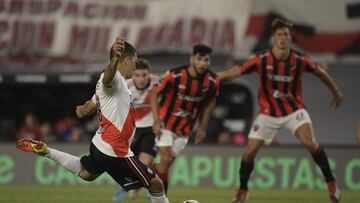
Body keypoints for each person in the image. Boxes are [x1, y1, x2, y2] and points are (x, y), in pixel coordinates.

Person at [16, 37, 170, 203]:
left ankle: (46, 151)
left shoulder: (113, 84)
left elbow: (89, 107)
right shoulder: (114, 79)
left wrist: (82, 110)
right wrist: (115, 59)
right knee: (156, 184)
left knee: (86, 173)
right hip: (115, 150)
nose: (135, 64)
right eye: (134, 60)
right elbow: (107, 77)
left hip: (100, 143)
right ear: (126, 60)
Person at [219, 19, 343, 203]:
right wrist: (213, 79)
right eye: (279, 35)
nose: (283, 38)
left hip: (294, 111)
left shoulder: (300, 60)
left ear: (290, 37)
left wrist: (336, 92)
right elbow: (234, 72)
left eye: (286, 34)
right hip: (268, 113)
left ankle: (331, 182)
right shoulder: (261, 60)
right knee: (249, 152)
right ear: (273, 38)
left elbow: (321, 73)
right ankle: (242, 190)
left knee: (310, 143)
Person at [150, 44, 220, 194]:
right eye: (200, 59)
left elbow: (210, 103)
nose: (203, 63)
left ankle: (146, 171)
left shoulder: (213, 81)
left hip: (185, 129)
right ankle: (161, 197)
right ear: (192, 59)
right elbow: (154, 93)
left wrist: (202, 127)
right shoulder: (175, 75)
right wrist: (156, 119)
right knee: (166, 160)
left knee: (165, 165)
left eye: (206, 60)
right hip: (165, 124)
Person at [112, 59, 161, 200]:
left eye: (144, 75)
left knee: (145, 162)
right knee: (128, 163)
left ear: (149, 75)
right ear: (133, 75)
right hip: (132, 130)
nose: (141, 79)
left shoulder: (158, 82)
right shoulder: (126, 86)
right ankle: (128, 186)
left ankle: (137, 187)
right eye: (137, 75)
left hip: (151, 129)